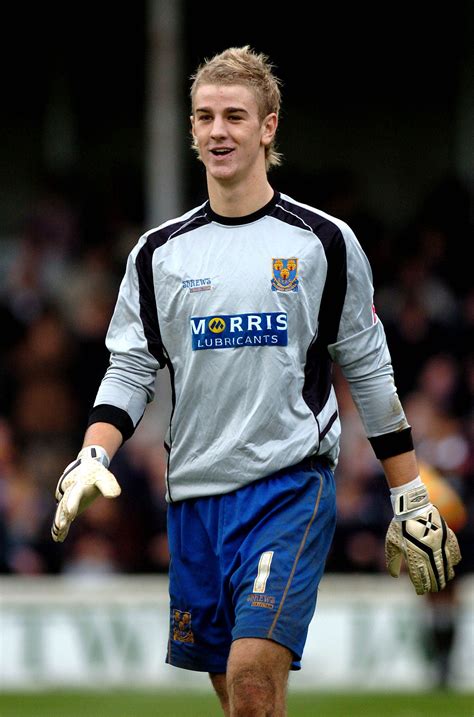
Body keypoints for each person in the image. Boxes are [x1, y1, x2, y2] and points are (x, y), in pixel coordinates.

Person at [51, 47, 461, 716]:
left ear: (268, 127)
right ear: (189, 129)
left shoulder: (322, 242)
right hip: (194, 500)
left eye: (235, 116)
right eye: (206, 116)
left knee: (249, 679)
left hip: (287, 487)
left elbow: (369, 366)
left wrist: (410, 495)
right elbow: (130, 367)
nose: (219, 131)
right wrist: (94, 451)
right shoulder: (159, 253)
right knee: (246, 701)